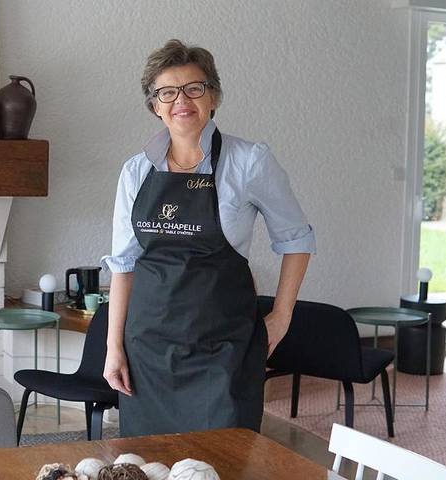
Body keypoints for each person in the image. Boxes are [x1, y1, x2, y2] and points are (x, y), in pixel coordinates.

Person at [101, 39, 316, 437]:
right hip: (149, 348)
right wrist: (114, 347)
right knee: (151, 464)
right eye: (167, 92)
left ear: (213, 95)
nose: (181, 100)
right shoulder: (135, 172)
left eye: (194, 88)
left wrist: (282, 316)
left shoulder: (250, 161)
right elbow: (124, 265)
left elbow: (297, 239)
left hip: (224, 349)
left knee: (224, 462)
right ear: (155, 105)